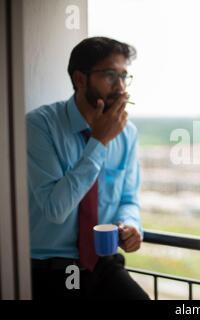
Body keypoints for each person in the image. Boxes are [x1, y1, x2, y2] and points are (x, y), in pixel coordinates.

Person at [27, 36, 149, 299]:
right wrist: (99, 141)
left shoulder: (127, 134)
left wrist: (130, 224)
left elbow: (129, 198)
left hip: (103, 263)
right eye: (109, 75)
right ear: (80, 79)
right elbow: (55, 210)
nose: (120, 87)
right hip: (54, 267)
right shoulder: (39, 126)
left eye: (124, 77)